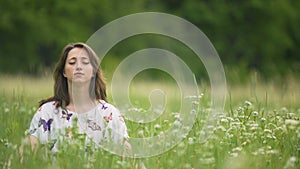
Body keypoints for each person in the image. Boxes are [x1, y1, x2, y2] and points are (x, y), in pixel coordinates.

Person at [23, 42, 129, 154]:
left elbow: (129, 157)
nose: (78, 67)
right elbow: (25, 153)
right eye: (72, 62)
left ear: (93, 71)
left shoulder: (109, 114)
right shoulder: (47, 111)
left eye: (85, 62)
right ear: (64, 71)